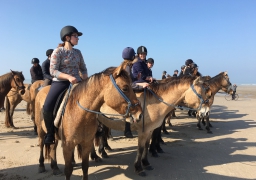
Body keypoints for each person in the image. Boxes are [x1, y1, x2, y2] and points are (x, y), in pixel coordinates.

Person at [43, 25, 88, 144]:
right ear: (67, 37)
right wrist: (68, 77)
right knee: (47, 106)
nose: (77, 38)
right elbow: (53, 71)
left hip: (78, 83)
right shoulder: (58, 52)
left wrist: (85, 80)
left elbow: (83, 69)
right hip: (61, 83)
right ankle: (50, 133)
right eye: (76, 36)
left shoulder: (78, 52)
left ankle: (97, 127)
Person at [122, 47, 149, 138]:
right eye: (138, 55)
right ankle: (128, 129)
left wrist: (136, 79)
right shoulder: (128, 67)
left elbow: (131, 80)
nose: (140, 56)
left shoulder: (129, 66)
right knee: (133, 104)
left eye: (143, 54)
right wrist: (140, 85)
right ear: (133, 56)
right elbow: (129, 84)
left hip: (130, 87)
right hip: (127, 90)